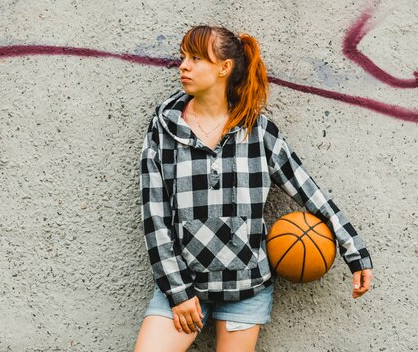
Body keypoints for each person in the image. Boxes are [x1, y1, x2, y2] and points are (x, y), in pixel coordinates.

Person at [134, 26, 373, 352]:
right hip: (185, 286)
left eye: (196, 58)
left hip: (246, 288)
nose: (183, 66)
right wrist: (177, 291)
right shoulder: (163, 129)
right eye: (183, 57)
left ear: (224, 68)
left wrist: (355, 253)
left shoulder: (258, 132)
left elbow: (310, 193)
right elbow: (155, 218)